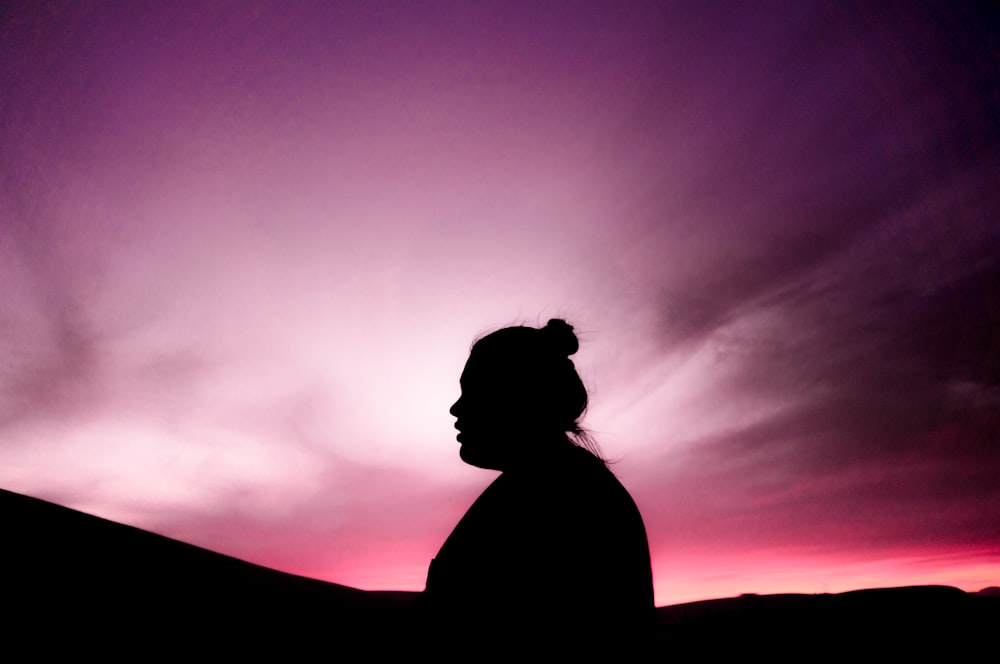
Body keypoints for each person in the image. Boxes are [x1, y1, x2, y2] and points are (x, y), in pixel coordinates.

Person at [420, 319, 654, 646]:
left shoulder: (554, 498)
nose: (456, 408)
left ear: (518, 398)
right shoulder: (551, 485)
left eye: (475, 391)